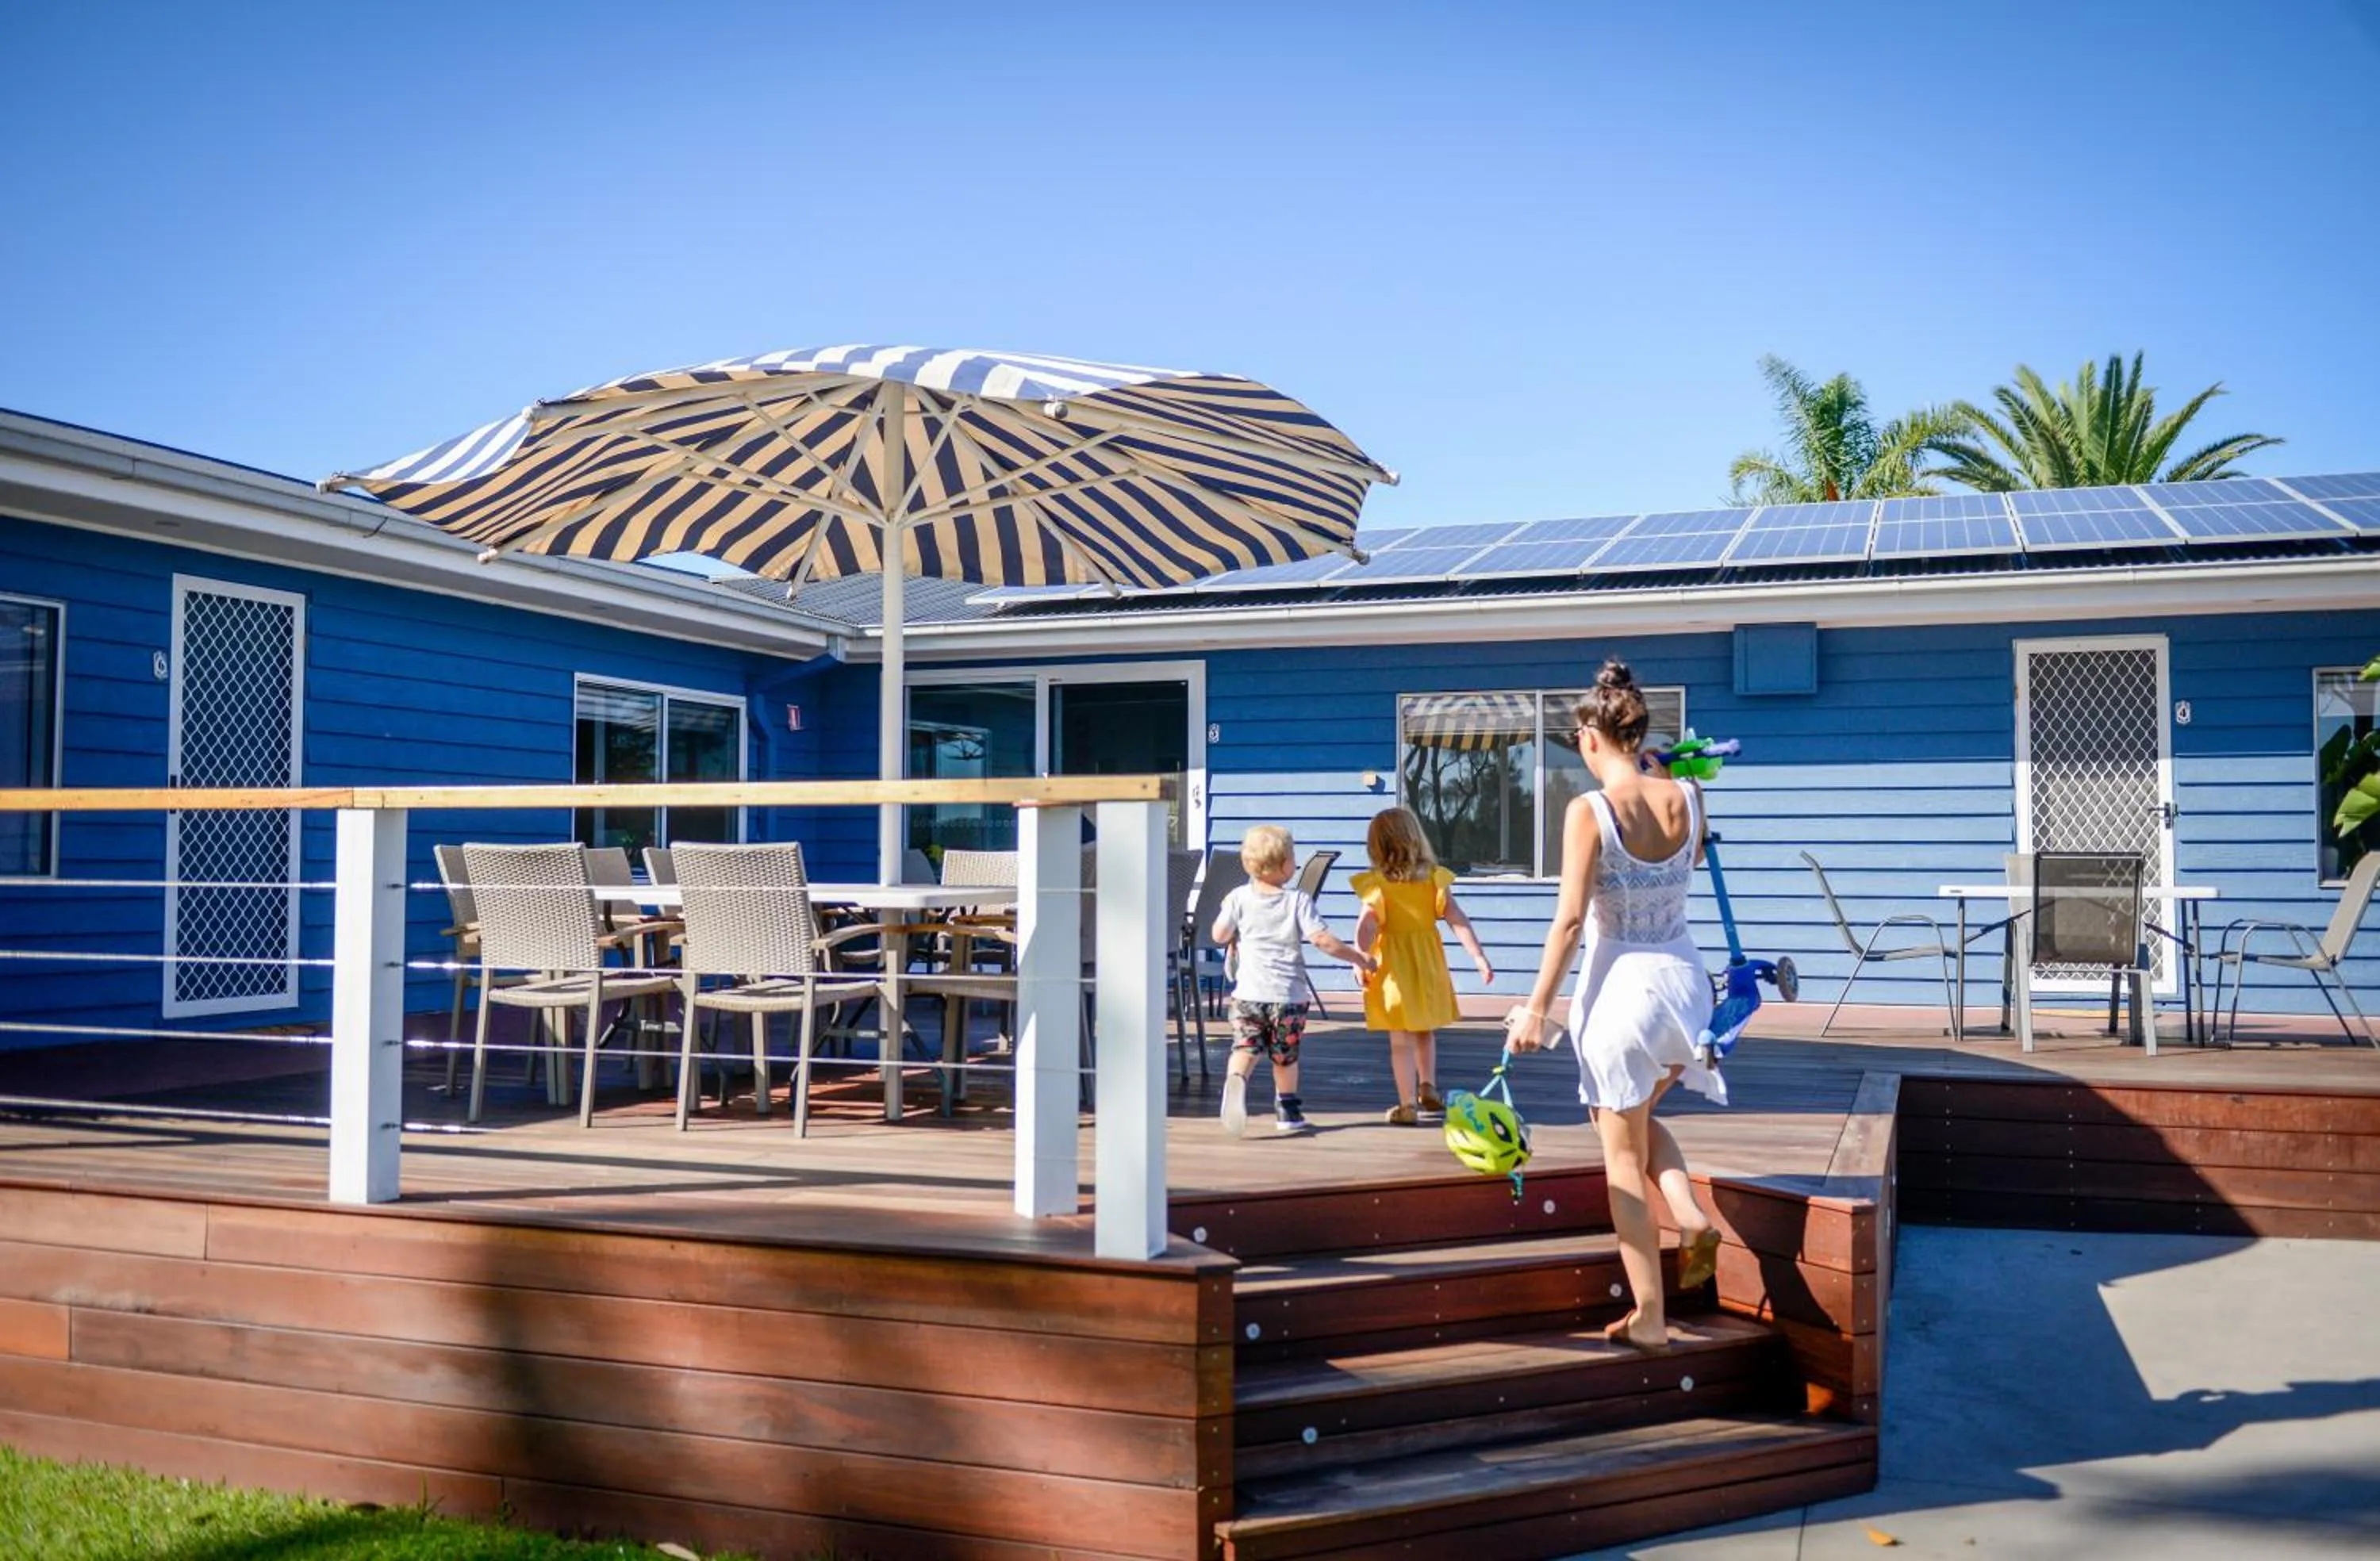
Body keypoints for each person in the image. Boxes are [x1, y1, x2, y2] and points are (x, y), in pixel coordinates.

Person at [1504, 658, 1724, 1353]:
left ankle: (1651, 1317)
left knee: (1619, 1159)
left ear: (1591, 737)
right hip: (1688, 987)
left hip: (1620, 990)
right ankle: (1689, 1215)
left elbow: (1570, 920)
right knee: (1632, 1116)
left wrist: (1537, 1009)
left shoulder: (1586, 810)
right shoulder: (1688, 796)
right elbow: (1682, 868)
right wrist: (1659, 774)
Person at [1212, 825, 1373, 1136]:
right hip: (1287, 997)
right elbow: (1323, 940)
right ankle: (1287, 1111)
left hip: (1247, 994)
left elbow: (1218, 935)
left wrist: (1234, 933)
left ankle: (1237, 1080)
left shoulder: (1237, 898)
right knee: (1284, 1057)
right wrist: (1358, 957)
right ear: (1284, 864)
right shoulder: (1297, 900)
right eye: (1293, 858)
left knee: (1245, 1047)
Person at [1353, 807, 1494, 1126]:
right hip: (1427, 964)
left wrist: (1361, 955)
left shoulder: (1377, 884)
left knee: (1399, 1040)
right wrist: (1478, 957)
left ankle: (1406, 1105)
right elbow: (1457, 919)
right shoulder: (1433, 878)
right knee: (1424, 1031)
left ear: (1376, 846)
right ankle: (1427, 1086)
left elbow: (1367, 924)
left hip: (1393, 970)